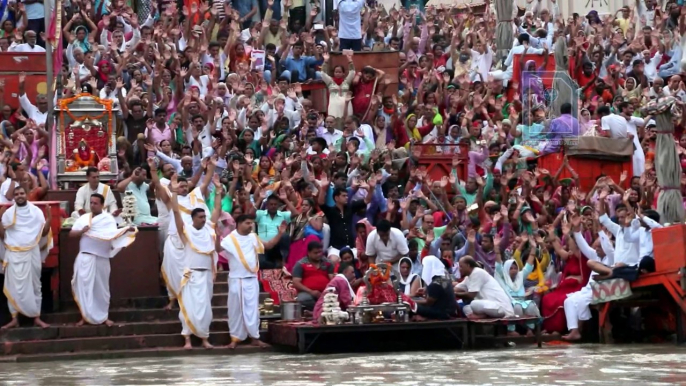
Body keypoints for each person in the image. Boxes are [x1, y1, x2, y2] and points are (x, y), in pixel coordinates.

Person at [149, 157, 212, 310]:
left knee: (187, 272)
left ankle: (188, 301)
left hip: (188, 242)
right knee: (171, 271)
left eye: (185, 186)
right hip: (173, 242)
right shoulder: (171, 200)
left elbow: (205, 183)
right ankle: (172, 300)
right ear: (173, 186)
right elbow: (157, 184)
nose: (183, 188)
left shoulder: (194, 199)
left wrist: (208, 168)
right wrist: (152, 169)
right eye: (180, 186)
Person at [170, 175, 221, 350]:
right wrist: (175, 192)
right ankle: (187, 340)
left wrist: (219, 192)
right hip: (190, 275)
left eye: (204, 217)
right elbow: (176, 212)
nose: (203, 219)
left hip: (206, 274)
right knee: (189, 308)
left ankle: (204, 338)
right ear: (193, 218)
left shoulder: (208, 231)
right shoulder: (186, 232)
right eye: (200, 217)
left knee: (205, 308)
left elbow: (216, 211)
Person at [70, 193, 137, 326]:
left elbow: (111, 235)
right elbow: (71, 234)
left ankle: (103, 317)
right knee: (85, 288)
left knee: (102, 289)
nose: (93, 205)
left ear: (102, 205)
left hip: (102, 259)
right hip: (85, 258)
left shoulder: (108, 219)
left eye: (95, 203)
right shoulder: (83, 219)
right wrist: (82, 231)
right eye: (91, 203)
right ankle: (85, 316)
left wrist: (125, 230)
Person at [0, 187, 52, 330]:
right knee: (12, 287)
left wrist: (49, 219)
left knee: (36, 285)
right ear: (14, 197)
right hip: (13, 254)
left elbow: (43, 233)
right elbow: (2, 235)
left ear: (27, 195)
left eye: (21, 193)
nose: (19, 196)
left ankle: (36, 317)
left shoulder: (36, 212)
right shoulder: (9, 213)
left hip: (32, 253)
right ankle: (14, 319)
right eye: (16, 194)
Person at [220, 214, 271, 349]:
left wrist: (280, 234)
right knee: (235, 309)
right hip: (236, 278)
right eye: (248, 223)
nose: (251, 226)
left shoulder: (253, 237)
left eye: (252, 223)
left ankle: (255, 337)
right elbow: (218, 249)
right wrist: (215, 234)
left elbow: (268, 246)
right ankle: (235, 338)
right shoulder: (230, 239)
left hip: (251, 278)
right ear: (239, 223)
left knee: (253, 309)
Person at [494, 235, 540, 336]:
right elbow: (498, 265)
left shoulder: (520, 276)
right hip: (509, 302)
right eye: (511, 268)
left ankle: (530, 330)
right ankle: (511, 330)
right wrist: (496, 249)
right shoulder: (503, 276)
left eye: (515, 268)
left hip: (522, 301)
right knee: (517, 306)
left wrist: (533, 248)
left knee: (531, 305)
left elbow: (528, 265)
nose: (514, 270)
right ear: (506, 269)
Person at [292, 240, 334, 310]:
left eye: (320, 252)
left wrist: (326, 291)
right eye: (315, 253)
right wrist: (311, 291)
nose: (319, 255)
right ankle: (318, 310)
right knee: (303, 299)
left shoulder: (328, 263)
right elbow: (296, 283)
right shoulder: (300, 264)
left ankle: (319, 309)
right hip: (307, 292)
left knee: (334, 299)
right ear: (309, 253)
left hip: (325, 292)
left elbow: (332, 279)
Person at [414, 255, 457, 320]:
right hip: (450, 309)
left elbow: (428, 303)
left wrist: (411, 302)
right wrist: (426, 289)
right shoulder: (444, 275)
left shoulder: (436, 283)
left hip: (443, 313)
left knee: (416, 308)